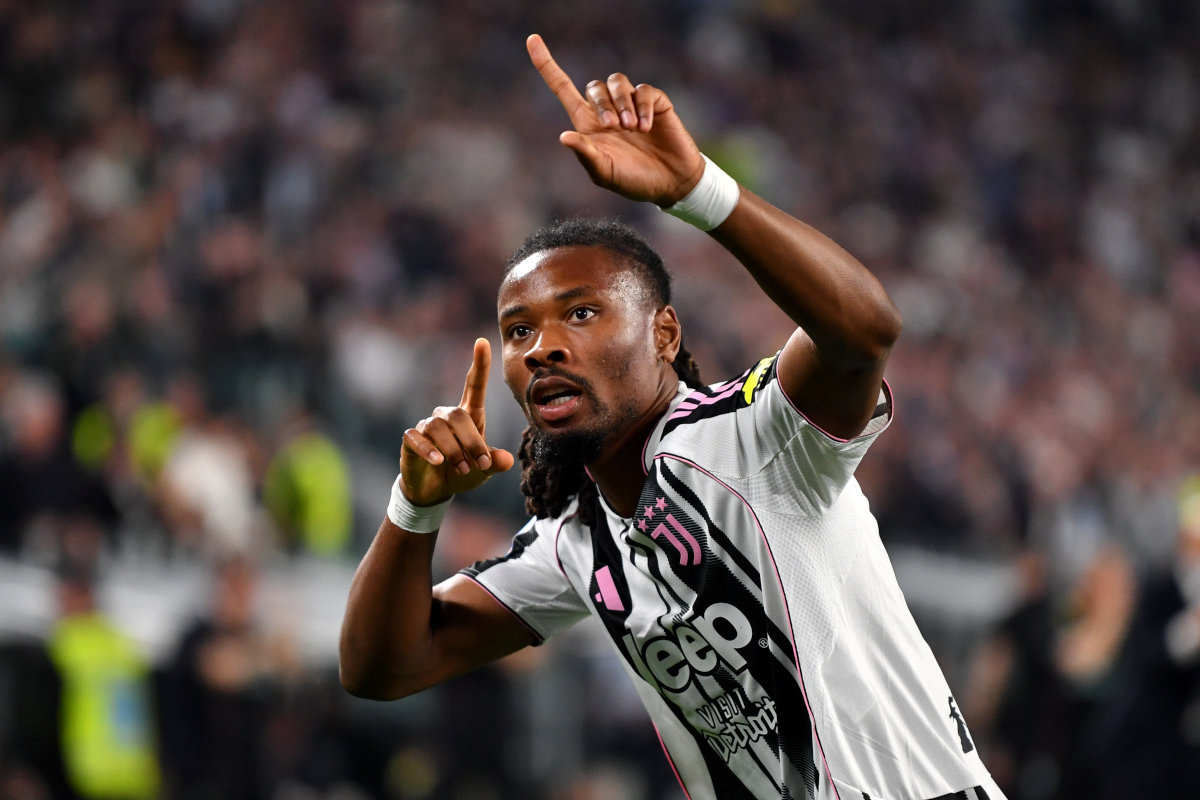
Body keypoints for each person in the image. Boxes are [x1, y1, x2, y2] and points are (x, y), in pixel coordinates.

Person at [341, 35, 1003, 800]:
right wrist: (414, 508)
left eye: (581, 313)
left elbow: (865, 333)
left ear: (663, 334)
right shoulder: (574, 543)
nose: (543, 347)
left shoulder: (751, 436)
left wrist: (701, 191)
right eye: (519, 330)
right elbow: (381, 667)